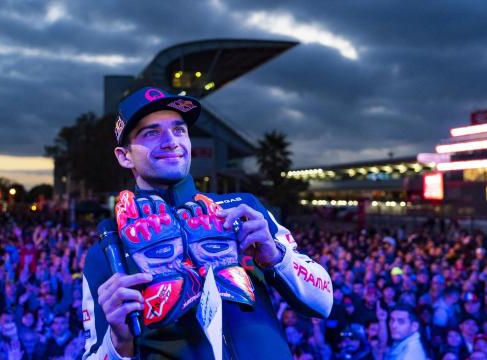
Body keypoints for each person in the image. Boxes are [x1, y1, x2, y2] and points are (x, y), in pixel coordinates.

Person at [82, 87, 333, 359]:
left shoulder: (243, 209)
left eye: (179, 130)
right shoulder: (109, 249)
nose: (171, 141)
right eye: (151, 133)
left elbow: (323, 301)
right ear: (124, 155)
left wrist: (276, 257)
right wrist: (119, 341)